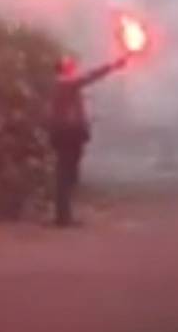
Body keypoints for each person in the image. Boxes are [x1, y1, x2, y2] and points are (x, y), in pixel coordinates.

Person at [48, 53, 130, 226]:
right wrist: (113, 65)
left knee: (68, 174)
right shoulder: (64, 84)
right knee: (66, 175)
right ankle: (63, 217)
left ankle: (64, 215)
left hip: (68, 134)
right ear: (62, 68)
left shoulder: (64, 85)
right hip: (67, 134)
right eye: (69, 63)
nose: (73, 65)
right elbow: (90, 77)